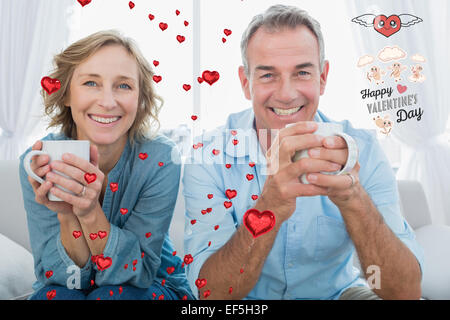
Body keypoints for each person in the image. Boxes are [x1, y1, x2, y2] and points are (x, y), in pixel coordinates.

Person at [182, 5, 424, 300]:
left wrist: (353, 200)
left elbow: (405, 292)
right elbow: (211, 295)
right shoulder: (208, 156)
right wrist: (270, 206)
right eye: (268, 75)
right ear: (246, 83)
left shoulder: (364, 150)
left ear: (322, 77)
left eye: (302, 73)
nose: (286, 94)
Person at [19, 30, 194, 300]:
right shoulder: (36, 162)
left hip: (152, 286)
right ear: (66, 94)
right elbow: (62, 278)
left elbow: (140, 272)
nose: (108, 101)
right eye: (91, 83)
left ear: (140, 98)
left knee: (114, 296)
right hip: (69, 288)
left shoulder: (160, 158)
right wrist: (67, 215)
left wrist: (89, 214)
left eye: (124, 86)